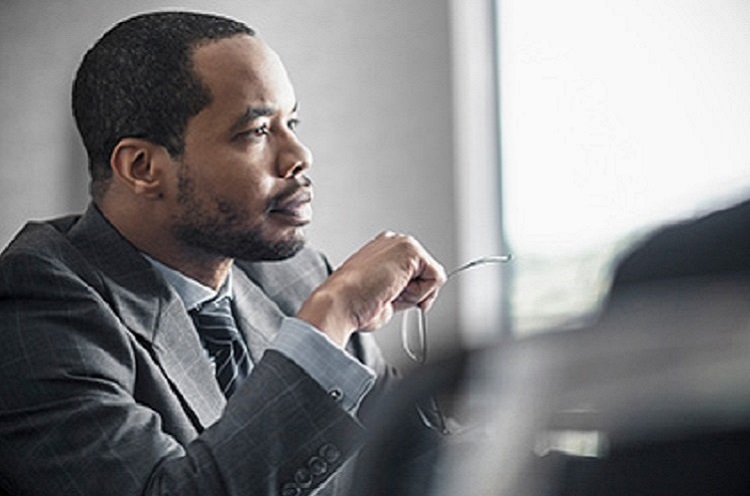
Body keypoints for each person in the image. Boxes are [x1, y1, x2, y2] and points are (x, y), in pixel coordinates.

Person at [0, 11, 446, 496]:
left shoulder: (294, 275)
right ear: (143, 167)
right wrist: (329, 316)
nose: (299, 155)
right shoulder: (38, 304)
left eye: (290, 121)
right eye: (256, 132)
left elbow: (409, 461)